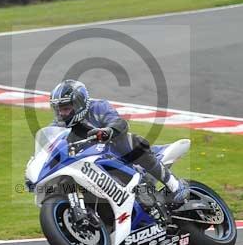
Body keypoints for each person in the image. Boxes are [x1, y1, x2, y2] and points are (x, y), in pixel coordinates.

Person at [49, 79, 189, 208]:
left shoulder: (98, 108)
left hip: (118, 157)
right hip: (91, 168)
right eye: (58, 109)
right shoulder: (59, 126)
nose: (62, 114)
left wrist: (107, 131)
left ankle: (175, 185)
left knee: (128, 140)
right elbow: (52, 146)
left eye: (66, 108)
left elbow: (118, 122)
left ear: (78, 104)